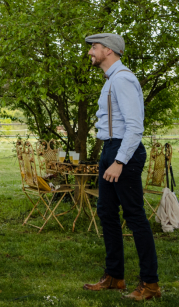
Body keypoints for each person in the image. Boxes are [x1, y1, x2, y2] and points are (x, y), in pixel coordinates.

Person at [82, 34, 160, 301]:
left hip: (122, 153)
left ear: (108, 50)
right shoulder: (111, 80)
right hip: (110, 149)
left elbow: (135, 126)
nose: (90, 52)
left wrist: (119, 161)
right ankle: (115, 277)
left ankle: (150, 283)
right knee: (106, 212)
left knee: (135, 216)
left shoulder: (123, 79)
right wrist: (110, 156)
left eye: (94, 47)